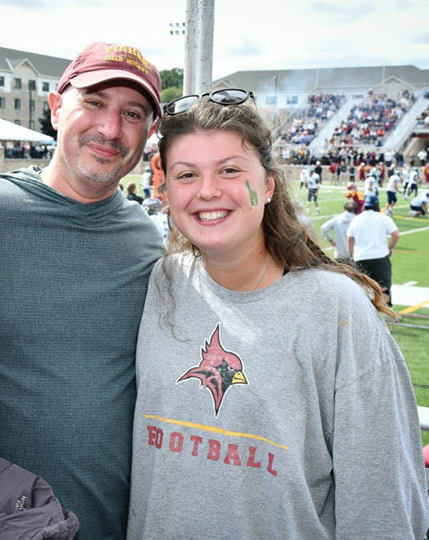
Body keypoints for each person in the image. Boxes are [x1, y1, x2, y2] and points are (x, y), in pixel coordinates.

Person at [128, 94, 428, 539]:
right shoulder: (163, 282)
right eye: (187, 175)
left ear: (268, 185)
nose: (208, 190)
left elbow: (383, 505)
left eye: (230, 170)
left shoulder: (335, 308)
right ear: (166, 192)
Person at [0, 42, 165, 539]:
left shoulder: (147, 241)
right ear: (55, 108)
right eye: (93, 102)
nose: (111, 129)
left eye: (132, 113)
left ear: (149, 134)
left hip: (113, 523)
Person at [347, 192, 400, 306]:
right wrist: (389, 248)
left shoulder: (357, 219)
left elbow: (350, 238)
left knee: (363, 288)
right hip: (380, 257)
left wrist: (351, 255)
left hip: (360, 257)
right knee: (383, 288)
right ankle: (385, 314)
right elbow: (396, 235)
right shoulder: (383, 218)